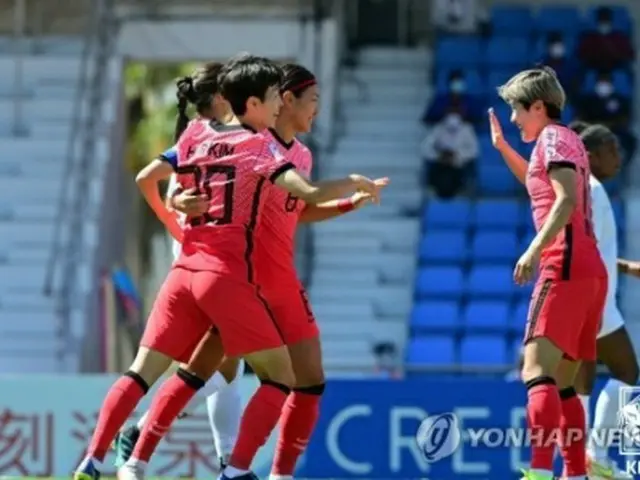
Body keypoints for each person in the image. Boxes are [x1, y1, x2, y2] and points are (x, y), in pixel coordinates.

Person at [74, 54, 386, 480]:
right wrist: (176, 204)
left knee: (302, 380)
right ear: (281, 99)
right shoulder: (258, 145)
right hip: (239, 278)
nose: (316, 107)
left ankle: (269, 474)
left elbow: (296, 208)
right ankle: (168, 455)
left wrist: (349, 202)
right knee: (229, 373)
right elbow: (299, 192)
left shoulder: (255, 145)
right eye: (309, 98)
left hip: (246, 276)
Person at [113, 62, 246, 473]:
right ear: (222, 98)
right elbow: (176, 198)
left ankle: (228, 462)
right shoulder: (205, 146)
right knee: (213, 368)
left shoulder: (196, 142)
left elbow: (167, 196)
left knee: (228, 369)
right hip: (206, 274)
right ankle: (142, 428)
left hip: (198, 272)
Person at [489, 66, 607, 480]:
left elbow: (565, 199)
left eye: (517, 111)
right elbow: (538, 183)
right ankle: (575, 473)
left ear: (538, 106)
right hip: (589, 271)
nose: (514, 119)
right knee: (562, 383)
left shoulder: (552, 138)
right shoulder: (564, 140)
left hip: (565, 263)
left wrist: (533, 250)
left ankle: (539, 473)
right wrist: (504, 147)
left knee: (535, 372)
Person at [567, 123, 637, 480]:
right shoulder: (588, 190)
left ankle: (582, 464)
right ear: (591, 155)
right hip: (592, 301)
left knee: (585, 379)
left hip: (595, 300)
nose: (619, 158)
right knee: (625, 371)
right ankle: (589, 459)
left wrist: (623, 267)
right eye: (612, 150)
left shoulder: (586, 188)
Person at [421, 104, 478, 198]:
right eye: (451, 113)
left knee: (462, 175)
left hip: (458, 164)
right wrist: (438, 155)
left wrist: (457, 155)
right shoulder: (438, 128)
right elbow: (426, 147)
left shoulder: (467, 129)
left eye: (456, 113)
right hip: (440, 163)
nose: (453, 116)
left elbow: (474, 150)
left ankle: (459, 192)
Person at [577, 6, 634, 73]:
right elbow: (581, 55)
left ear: (611, 22)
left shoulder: (620, 38)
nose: (604, 24)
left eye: (606, 21)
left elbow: (630, 55)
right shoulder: (590, 38)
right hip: (594, 68)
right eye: (602, 21)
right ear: (597, 22)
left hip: (616, 67)